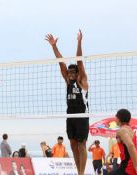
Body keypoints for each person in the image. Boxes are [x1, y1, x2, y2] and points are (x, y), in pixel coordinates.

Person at [46, 29, 89, 175]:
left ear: (77, 73)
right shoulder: (67, 80)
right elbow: (61, 63)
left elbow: (79, 60)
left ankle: (82, 173)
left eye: (72, 73)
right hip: (70, 115)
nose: (70, 74)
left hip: (82, 115)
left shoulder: (82, 81)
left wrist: (79, 42)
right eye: (69, 73)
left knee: (82, 145)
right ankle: (79, 172)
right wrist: (54, 46)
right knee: (73, 144)